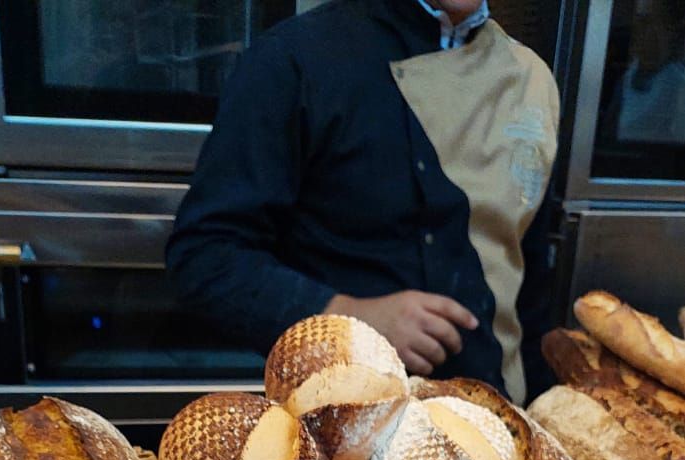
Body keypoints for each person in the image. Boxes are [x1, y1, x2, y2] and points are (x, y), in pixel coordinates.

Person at [166, 0, 559, 404]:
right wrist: (348, 315)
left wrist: (543, 416)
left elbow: (528, 293)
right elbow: (205, 257)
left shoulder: (531, 82)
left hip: (498, 429)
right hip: (336, 433)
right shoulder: (293, 60)